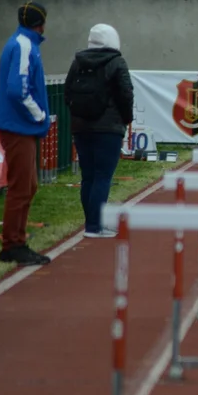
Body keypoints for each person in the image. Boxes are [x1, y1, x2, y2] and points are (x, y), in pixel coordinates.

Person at [0, 1, 52, 267]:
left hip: (18, 125)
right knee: (21, 187)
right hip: (19, 126)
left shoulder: (20, 42)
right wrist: (39, 115)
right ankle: (13, 244)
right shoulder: (25, 45)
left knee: (28, 186)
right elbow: (18, 90)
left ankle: (16, 241)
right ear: (40, 23)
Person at [65, 24, 134, 238]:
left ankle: (90, 223)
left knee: (88, 176)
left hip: (81, 127)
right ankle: (95, 226)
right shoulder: (116, 62)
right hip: (109, 127)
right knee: (103, 177)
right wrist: (126, 118)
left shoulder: (78, 62)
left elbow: (67, 92)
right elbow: (126, 93)